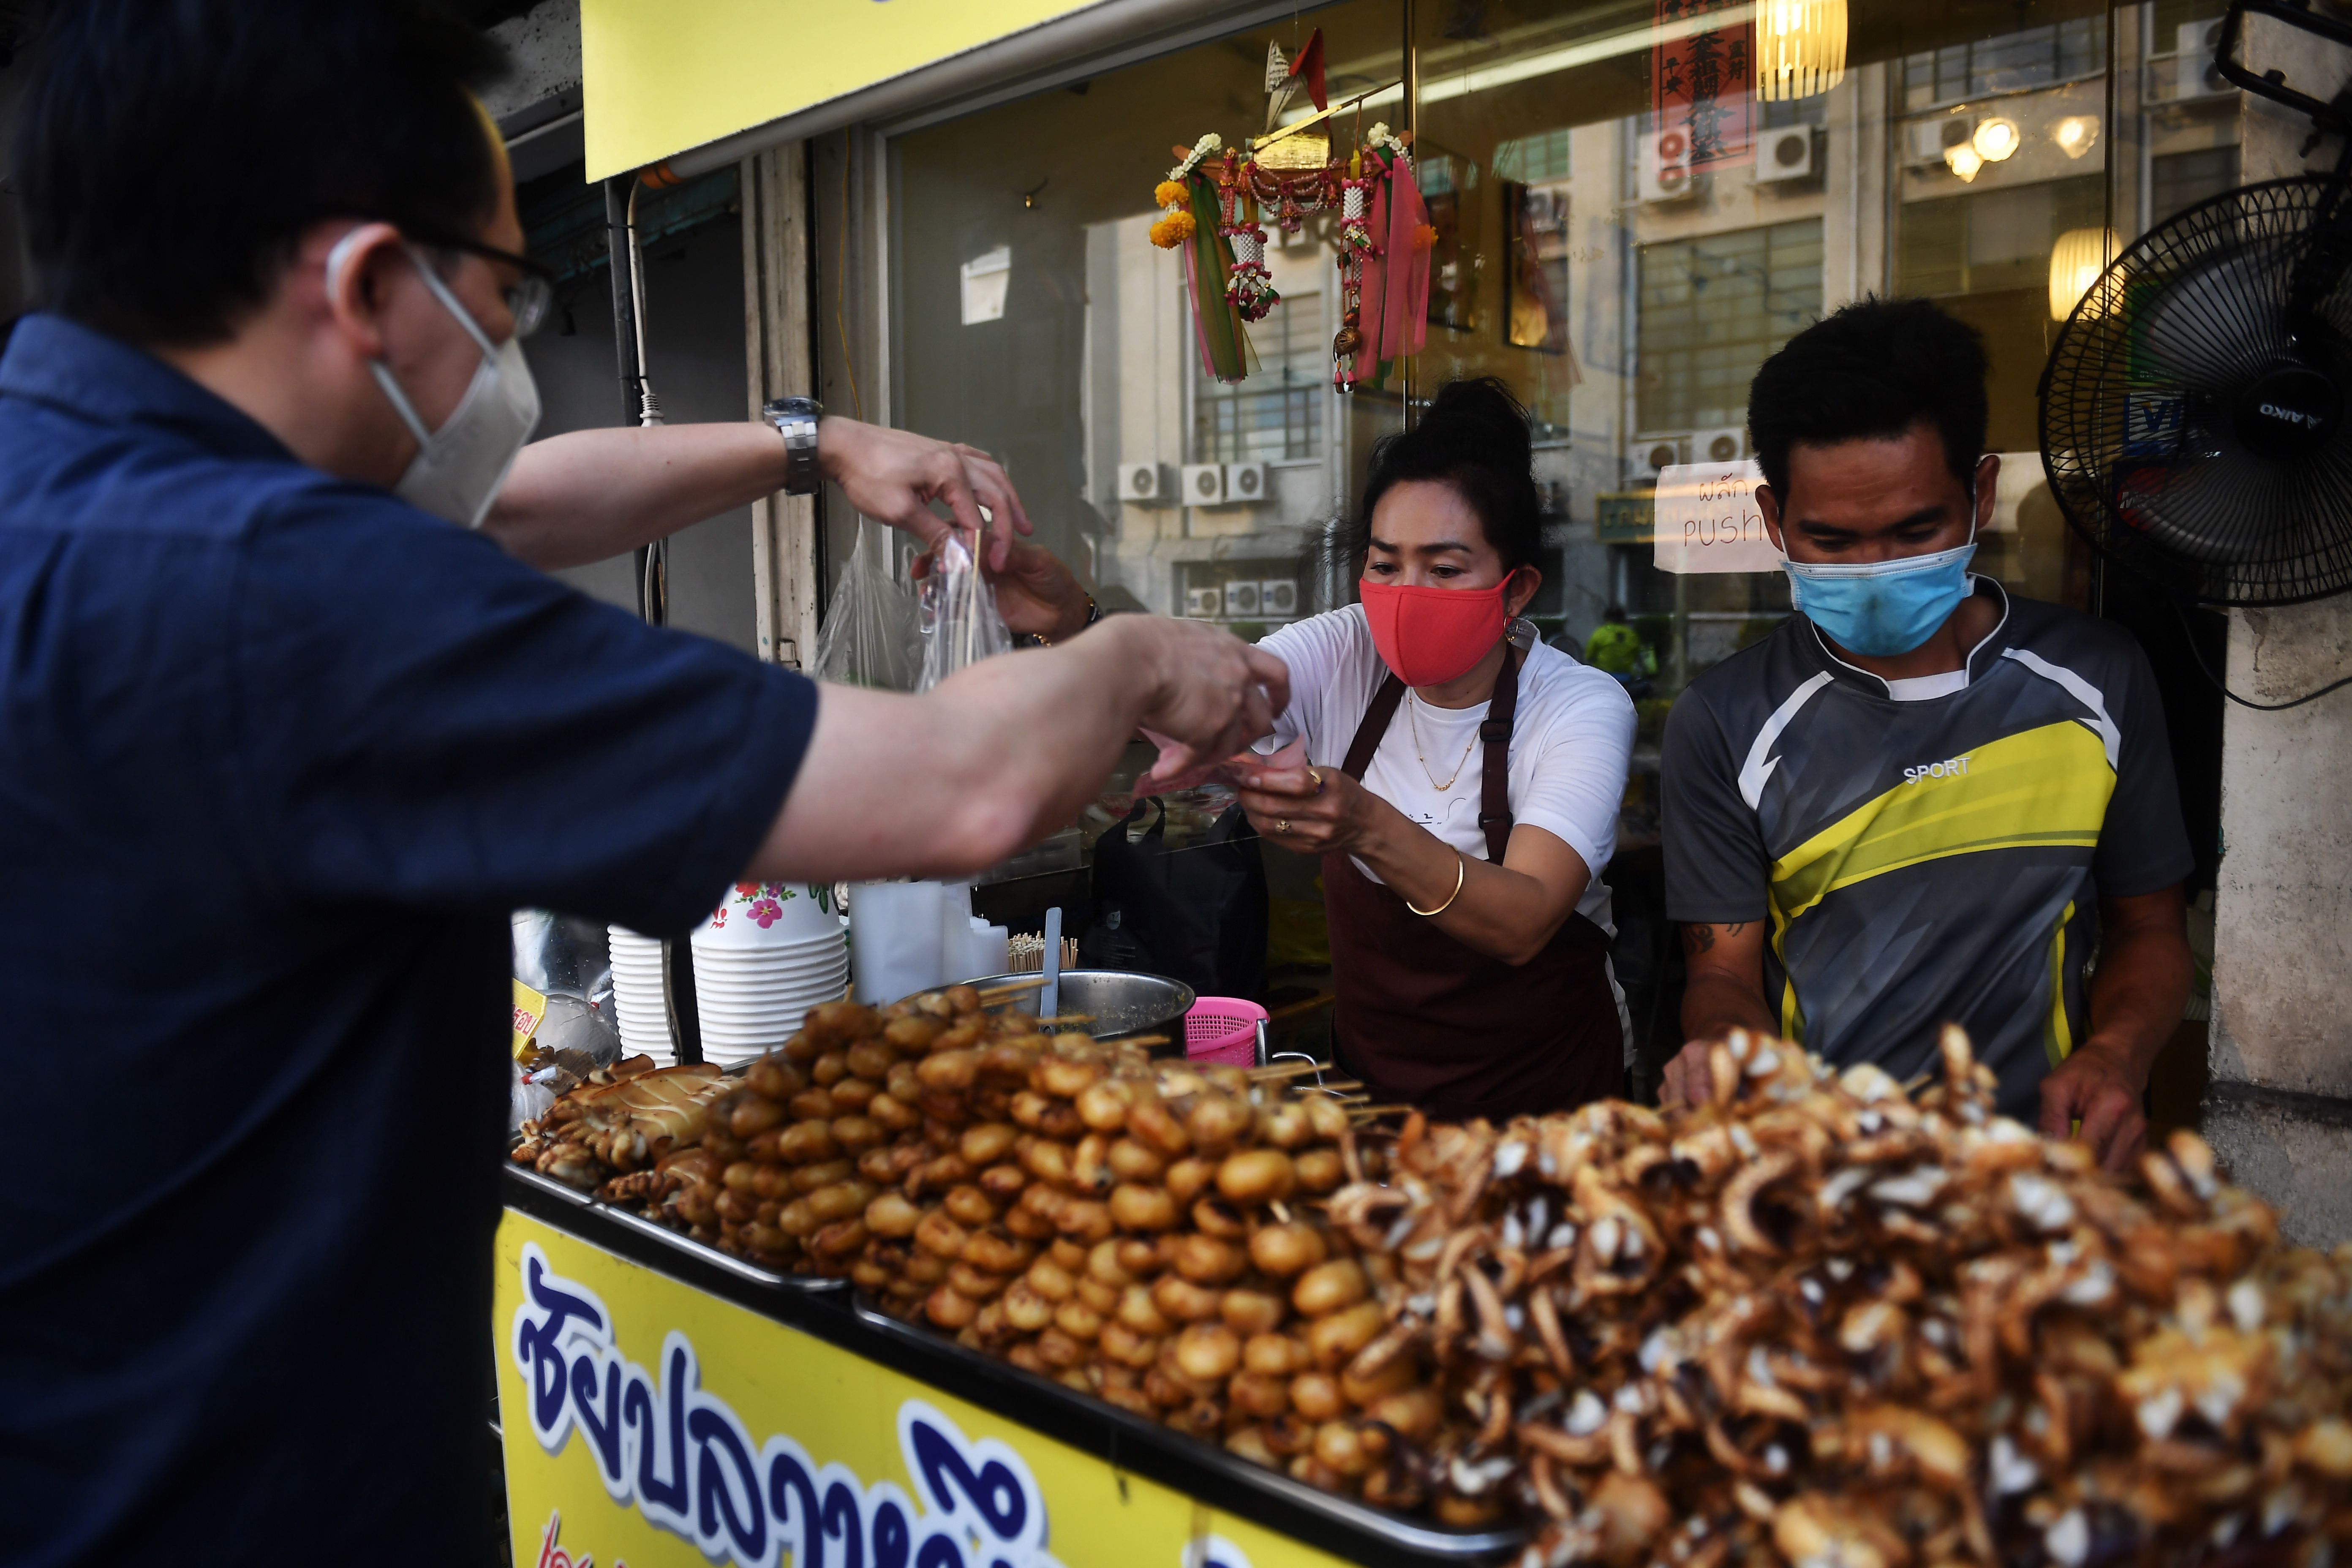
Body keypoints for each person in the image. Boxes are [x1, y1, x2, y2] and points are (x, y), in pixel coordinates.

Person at [0, 5, 1287, 1563]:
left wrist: (809, 446)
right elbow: (962, 787)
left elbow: (503, 505)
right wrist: (1143, 660)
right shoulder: (283, 595)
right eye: (506, 297)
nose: (510, 358)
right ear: (366, 287)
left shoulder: (74, 494)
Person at [1658, 298, 2194, 1166]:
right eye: (1830, 540)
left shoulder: (2099, 677)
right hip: (1826, 1181)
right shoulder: (1725, 720)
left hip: (2046, 1175)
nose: (1873, 575)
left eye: (1915, 531)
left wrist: (2118, 1053)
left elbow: (2151, 929)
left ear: (1980, 493)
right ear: (1773, 520)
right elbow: (1721, 975)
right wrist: (1725, 1054)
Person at [1160, 380, 1637, 1120]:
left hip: (1550, 1109)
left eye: (1445, 570)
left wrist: (1364, 825)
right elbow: (1210, 690)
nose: (1406, 593)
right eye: (1385, 565)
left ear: (1517, 592)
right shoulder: (1345, 646)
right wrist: (1079, 627)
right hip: (1374, 1100)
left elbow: (1523, 920)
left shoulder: (1578, 705)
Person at [1583, 603, 1651, 688]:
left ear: (1606, 618)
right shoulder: (1631, 634)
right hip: (1627, 678)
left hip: (1604, 677)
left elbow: (1589, 656)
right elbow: (1640, 657)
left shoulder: (1599, 633)